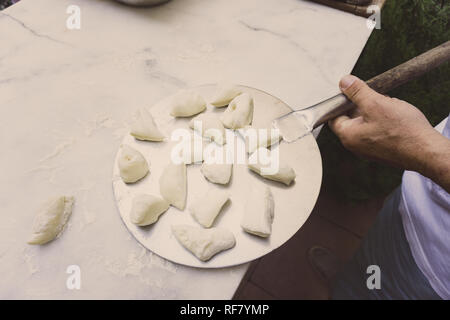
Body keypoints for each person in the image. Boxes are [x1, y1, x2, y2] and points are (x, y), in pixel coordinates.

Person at [308, 75, 450, 300]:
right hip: (414, 201)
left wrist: (422, 148)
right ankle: (353, 284)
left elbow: (426, 150)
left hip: (435, 276)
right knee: (367, 270)